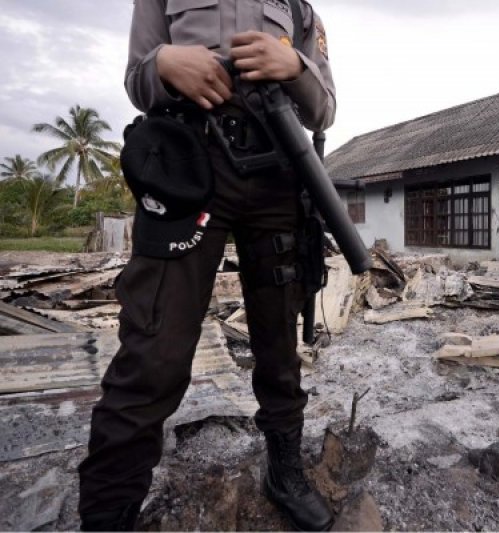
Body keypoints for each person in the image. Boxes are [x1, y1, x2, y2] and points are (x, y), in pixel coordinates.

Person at [78, 0, 336, 530]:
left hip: (277, 168)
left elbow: (326, 108)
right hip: (187, 162)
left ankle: (284, 471)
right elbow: (136, 78)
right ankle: (109, 510)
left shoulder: (299, 9)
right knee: (154, 348)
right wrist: (164, 65)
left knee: (278, 340)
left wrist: (294, 68)